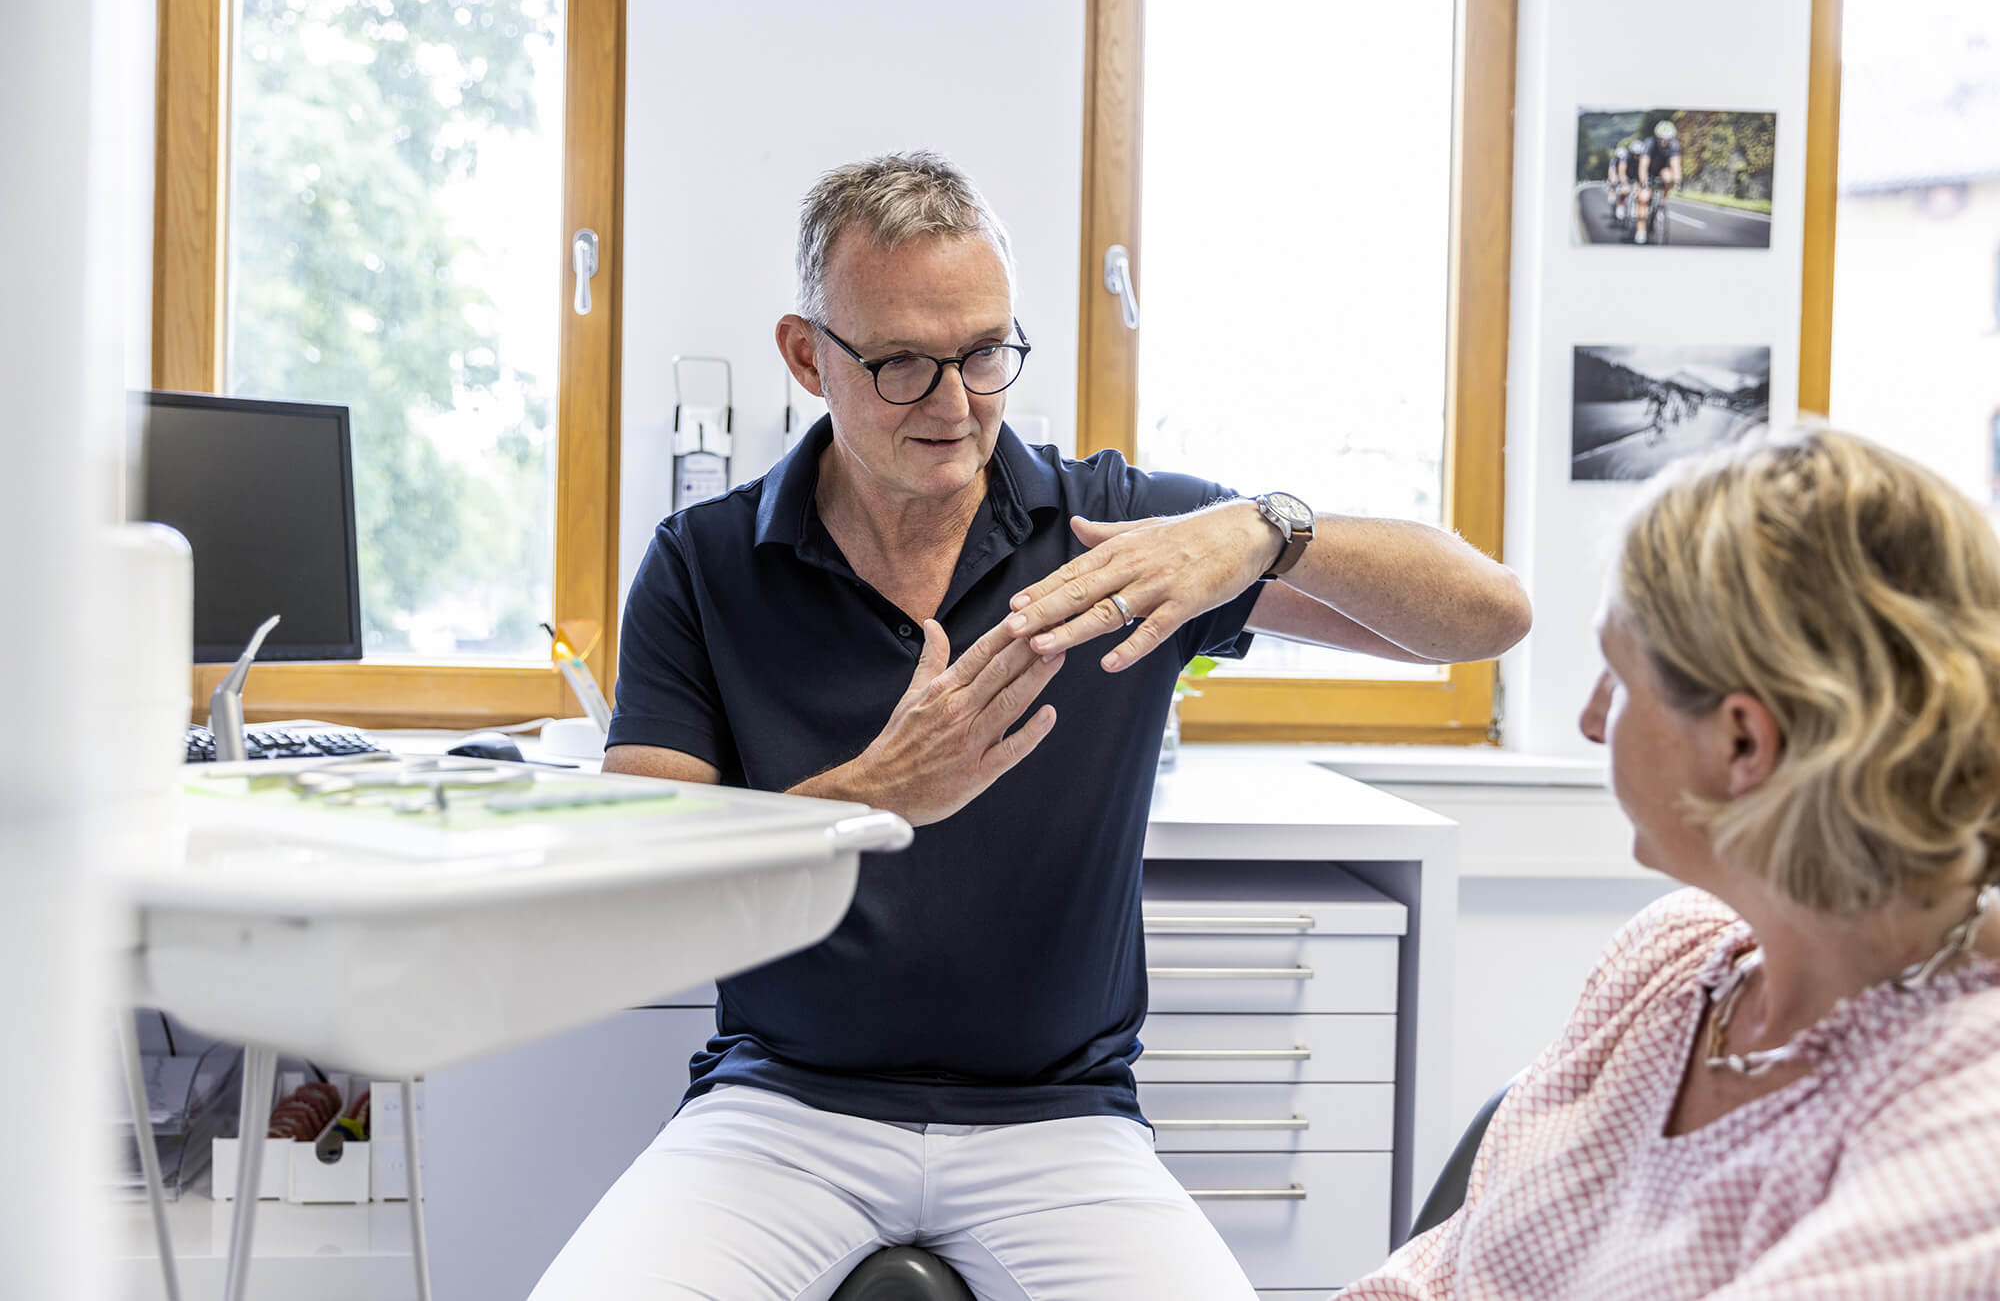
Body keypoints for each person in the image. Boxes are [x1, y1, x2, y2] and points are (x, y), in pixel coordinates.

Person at [530, 151, 1532, 1301]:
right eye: (902, 363)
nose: (956, 404)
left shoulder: (1122, 532)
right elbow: (639, 885)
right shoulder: (703, 562)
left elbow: (1488, 614)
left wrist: (1262, 530)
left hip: (1058, 1124)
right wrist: (873, 793)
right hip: (782, 1107)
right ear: (808, 355)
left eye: (984, 352)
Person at [1345, 424, 2000, 1299]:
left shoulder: (1959, 1122)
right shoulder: (1670, 962)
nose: (1588, 720)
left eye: (1616, 676)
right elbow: (1447, 1271)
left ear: (1742, 740)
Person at [1634, 118, 1683, 245]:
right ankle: (1641, 230)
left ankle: (1662, 201)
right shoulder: (1649, 143)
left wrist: (1677, 182)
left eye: (1667, 139)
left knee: (1668, 176)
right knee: (1644, 198)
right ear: (1656, 137)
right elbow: (1643, 165)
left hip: (1661, 170)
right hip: (1648, 171)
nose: (1664, 141)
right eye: (1661, 138)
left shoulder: (1674, 145)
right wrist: (1644, 182)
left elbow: (1675, 165)